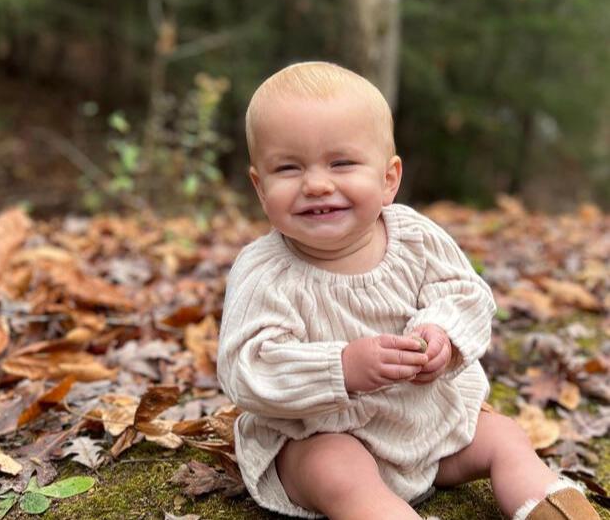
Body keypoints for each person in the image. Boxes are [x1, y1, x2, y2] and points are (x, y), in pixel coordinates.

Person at [216, 62, 599, 520]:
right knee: (337, 470)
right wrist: (341, 367)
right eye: (288, 167)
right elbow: (247, 369)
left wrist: (443, 335)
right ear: (260, 187)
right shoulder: (265, 272)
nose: (317, 184)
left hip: (425, 426)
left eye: (341, 163)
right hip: (319, 433)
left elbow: (466, 294)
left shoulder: (414, 237)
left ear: (388, 179)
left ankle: (548, 505)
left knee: (504, 437)